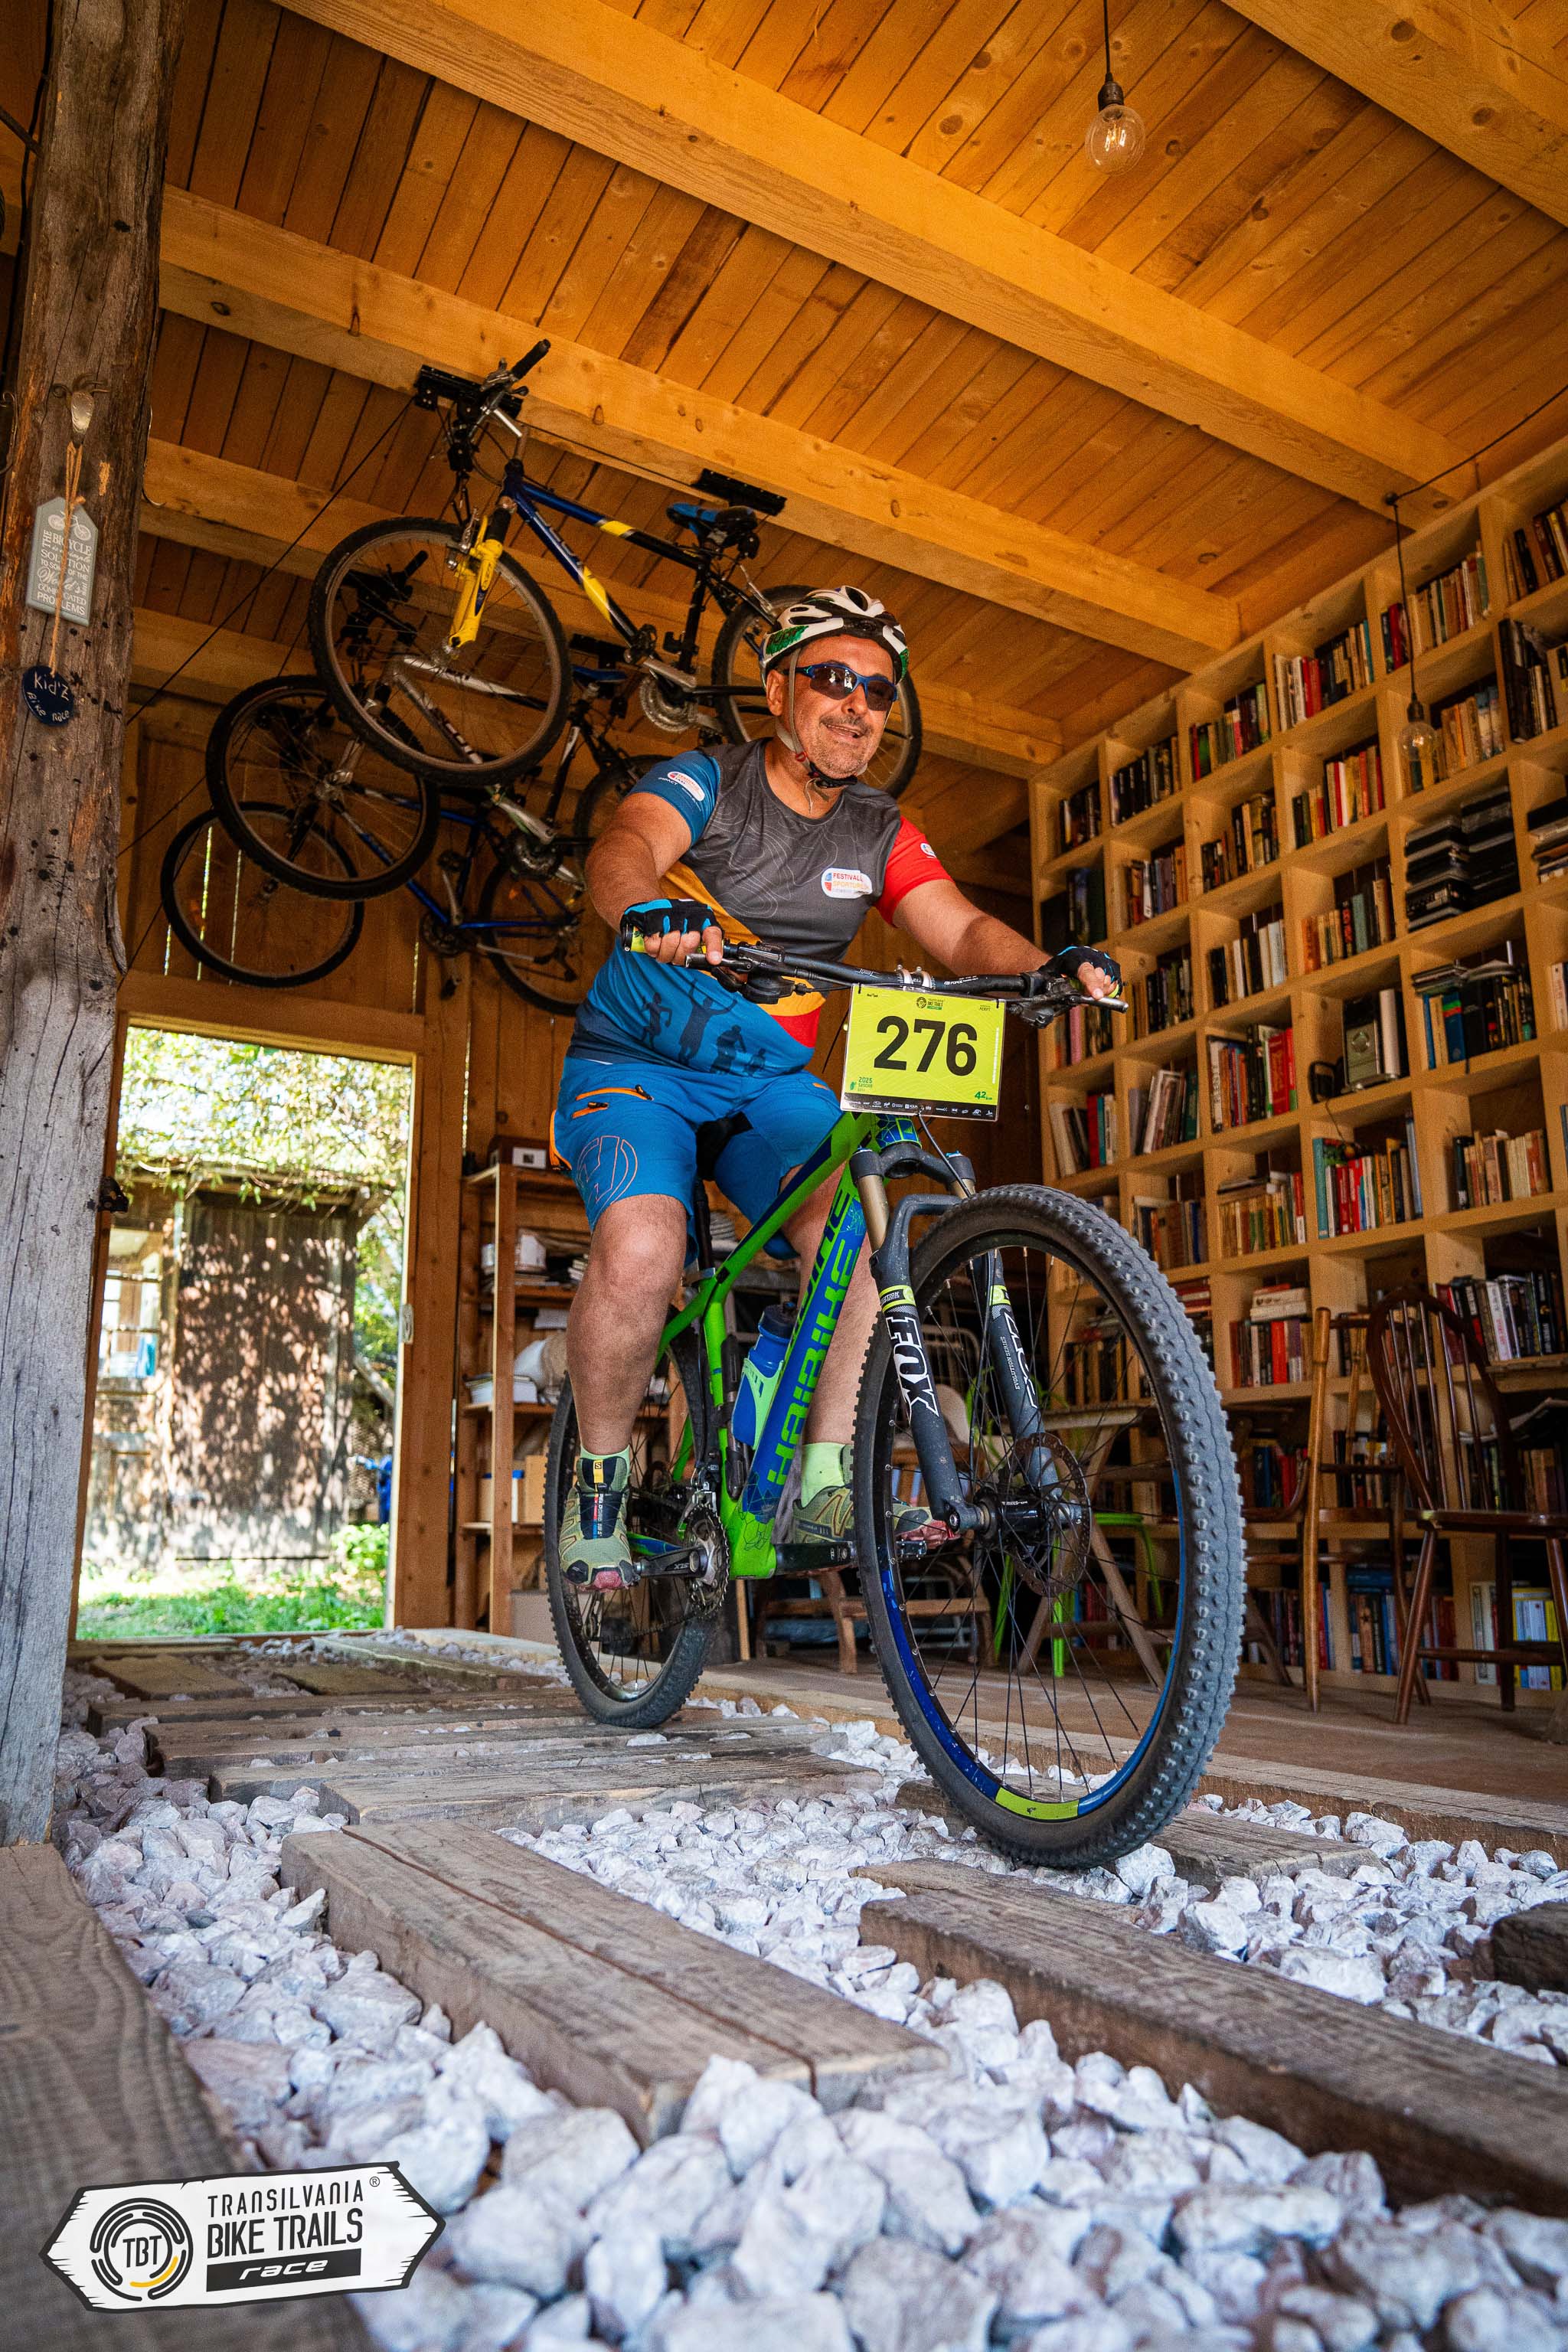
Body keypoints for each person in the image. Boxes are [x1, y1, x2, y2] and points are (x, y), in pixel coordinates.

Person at [551, 586, 1121, 1590]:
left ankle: (823, 1485)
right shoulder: (708, 781)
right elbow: (624, 847)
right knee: (644, 1249)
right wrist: (645, 908)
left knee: (862, 1233)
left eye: (879, 691)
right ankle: (596, 1493)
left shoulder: (875, 827)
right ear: (778, 691)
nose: (858, 705)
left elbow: (958, 929)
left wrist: (1047, 968)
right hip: (635, 1069)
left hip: (769, 1080)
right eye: (832, 679)